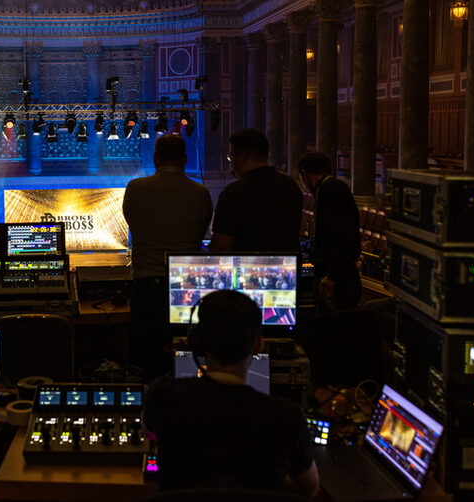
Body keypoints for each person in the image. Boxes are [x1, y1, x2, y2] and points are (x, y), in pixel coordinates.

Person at [143, 290, 318, 496]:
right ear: (258, 345)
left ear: (197, 342)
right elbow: (310, 489)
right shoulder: (289, 417)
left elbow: (150, 433)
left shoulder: (162, 396)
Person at [123, 134, 213, 379]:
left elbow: (134, 225)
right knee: (185, 357)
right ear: (185, 159)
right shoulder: (201, 192)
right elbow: (200, 233)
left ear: (155, 159)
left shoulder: (136, 189)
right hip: (189, 288)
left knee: (147, 361)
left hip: (147, 287)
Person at [209, 128, 303, 253]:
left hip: (246, 267)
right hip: (287, 267)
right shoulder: (291, 186)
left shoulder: (234, 192)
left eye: (231, 157)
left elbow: (221, 246)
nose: (231, 163)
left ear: (243, 157)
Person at [298, 152, 362, 312]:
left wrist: (331, 276)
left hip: (337, 279)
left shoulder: (330, 190)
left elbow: (339, 236)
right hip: (338, 273)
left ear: (304, 174)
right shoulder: (331, 187)